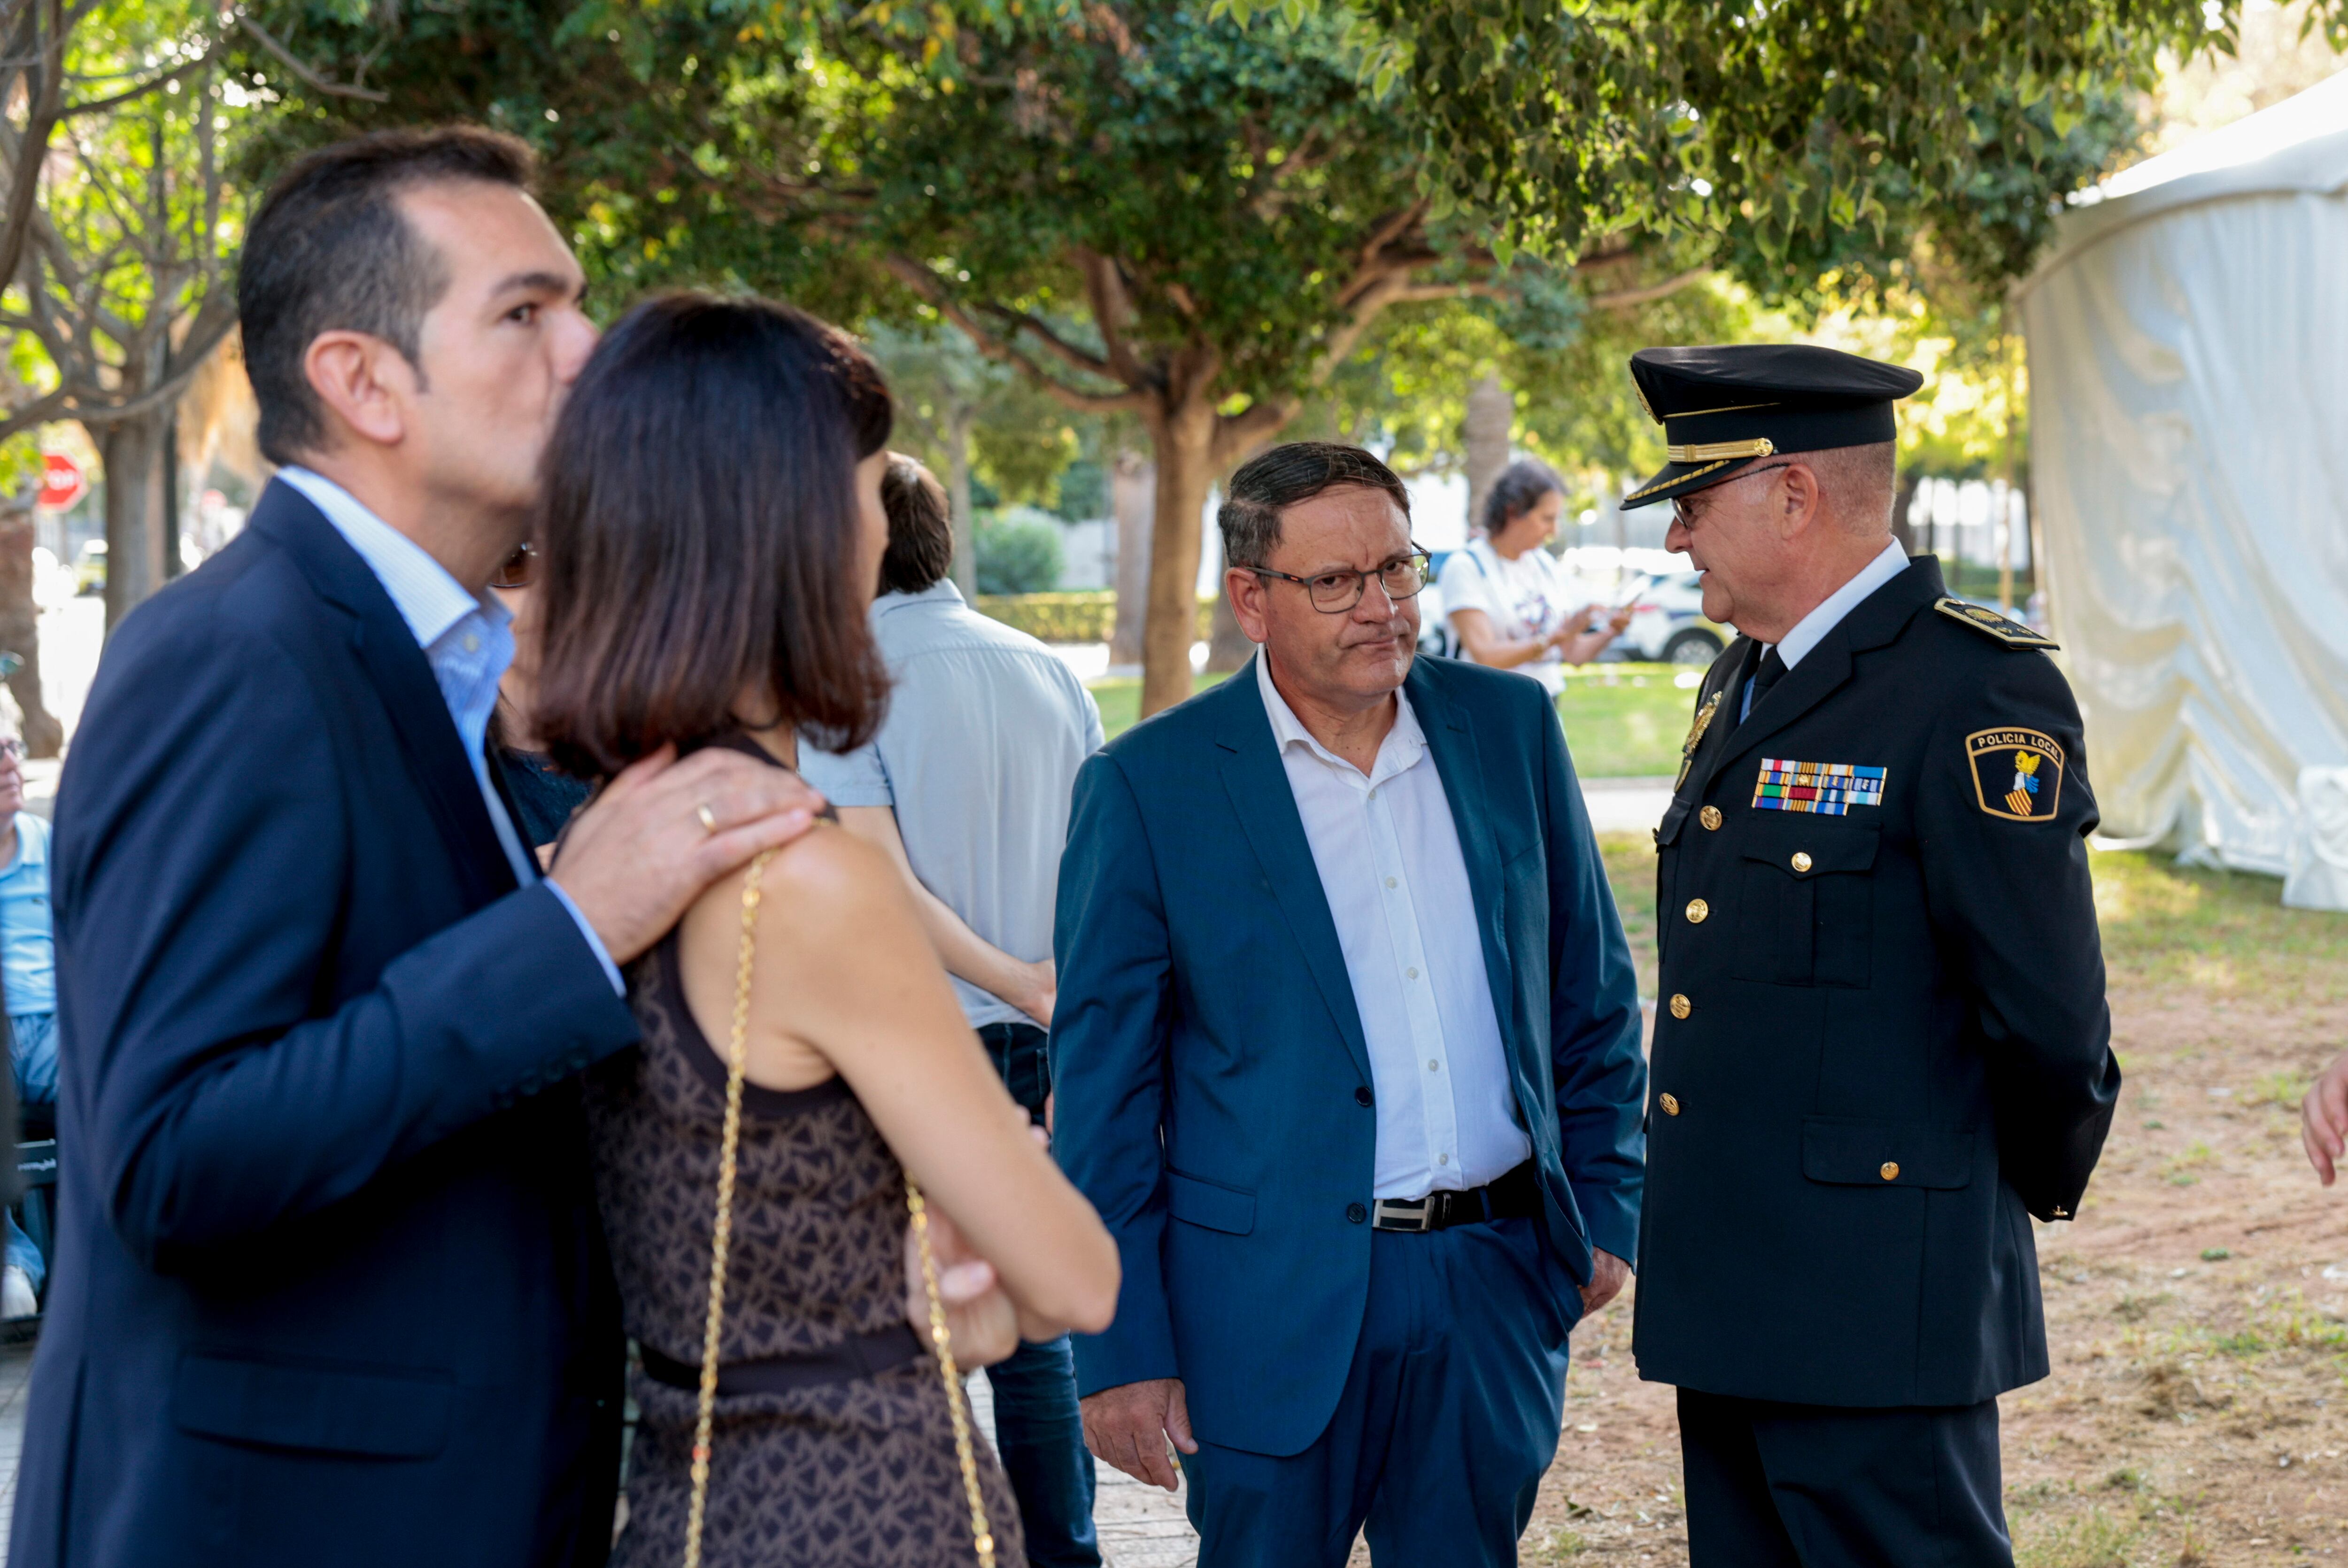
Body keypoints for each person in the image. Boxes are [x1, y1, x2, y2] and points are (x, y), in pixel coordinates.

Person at [14, 127, 865, 1568]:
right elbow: (173, 1157)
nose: (591, 349)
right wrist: (571, 926)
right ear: (360, 380)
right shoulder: (239, 657)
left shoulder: (444, 672)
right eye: (526, 312)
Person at [531, 292, 1119, 1568]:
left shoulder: (609, 837)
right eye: (861, 487)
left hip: (692, 1498)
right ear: (793, 530)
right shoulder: (805, 876)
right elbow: (1075, 1279)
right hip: (869, 1504)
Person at [1051, 441, 1647, 1568]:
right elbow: (1103, 1101)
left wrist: (1606, 1214)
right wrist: (1120, 1345)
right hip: (1263, 1309)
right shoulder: (1148, 788)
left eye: (1399, 569)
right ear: (1251, 599)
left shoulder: (1510, 731)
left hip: (1492, 1290)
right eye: (1336, 582)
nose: (1381, 608)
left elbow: (1592, 997)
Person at [1625, 343, 2122, 1566]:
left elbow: (2050, 1018)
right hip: (1734, 1281)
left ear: (1791, 494)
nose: (1677, 540)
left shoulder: (1971, 687)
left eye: (1692, 504)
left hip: (1873, 1296)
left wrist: (1963, 1217)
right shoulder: (1744, 679)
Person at [800, 454, 1107, 1567]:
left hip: (917, 1049)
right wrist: (1057, 994)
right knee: (1033, 1340)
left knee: (902, 1332)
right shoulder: (1050, 673)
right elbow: (1102, 871)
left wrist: (1019, 981)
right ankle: (1061, 1554)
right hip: (1045, 1035)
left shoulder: (845, 683)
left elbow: (874, 883)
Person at [1440, 458, 1630, 692]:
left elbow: (1573, 654)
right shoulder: (1467, 566)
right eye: (1547, 519)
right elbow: (1485, 656)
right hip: (1489, 707)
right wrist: (1555, 637)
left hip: (1545, 703)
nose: (1554, 531)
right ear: (1513, 512)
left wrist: (1612, 630)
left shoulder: (1544, 565)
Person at [0, 726, 54, 1319]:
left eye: (12, 747)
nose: (10, 763)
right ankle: (12, 1263)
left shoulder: (52, 845)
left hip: (65, 1028)